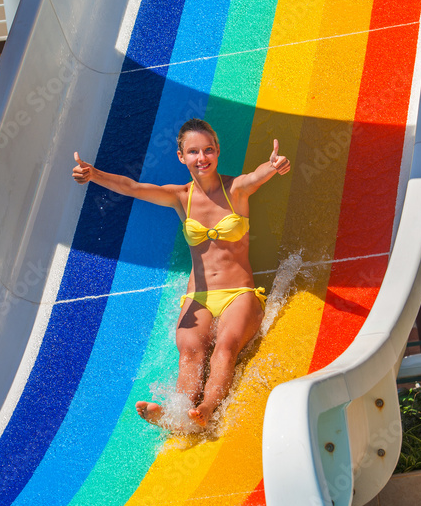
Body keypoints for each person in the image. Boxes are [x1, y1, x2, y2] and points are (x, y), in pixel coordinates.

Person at [72, 119, 290, 428]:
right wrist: (93, 174)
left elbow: (257, 176)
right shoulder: (180, 196)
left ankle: (208, 408)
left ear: (217, 152)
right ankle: (178, 413)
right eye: (193, 152)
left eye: (208, 150)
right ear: (181, 156)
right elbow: (132, 188)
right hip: (198, 296)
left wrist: (273, 166)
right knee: (190, 350)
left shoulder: (235, 189)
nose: (202, 158)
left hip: (238, 294)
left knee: (225, 347)